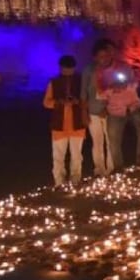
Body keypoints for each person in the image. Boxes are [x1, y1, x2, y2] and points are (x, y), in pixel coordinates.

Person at [98, 55, 140, 170]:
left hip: (134, 107)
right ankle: (118, 167)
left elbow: (135, 81)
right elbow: (101, 93)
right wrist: (110, 87)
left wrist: (127, 83)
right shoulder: (102, 73)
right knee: (114, 140)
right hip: (115, 111)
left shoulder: (125, 67)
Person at [43, 55, 84, 186]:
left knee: (76, 155)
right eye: (65, 69)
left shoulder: (81, 81)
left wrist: (77, 102)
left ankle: (75, 180)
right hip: (59, 124)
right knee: (58, 156)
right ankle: (59, 182)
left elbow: (86, 100)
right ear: (60, 68)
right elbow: (46, 103)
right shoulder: (53, 82)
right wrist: (59, 102)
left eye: (70, 70)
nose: (67, 72)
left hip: (77, 124)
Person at [81, 39, 115, 176]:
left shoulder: (113, 70)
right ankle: (99, 170)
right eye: (100, 56)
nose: (103, 59)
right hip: (93, 111)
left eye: (106, 56)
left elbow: (117, 92)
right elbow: (83, 92)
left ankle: (112, 169)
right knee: (97, 142)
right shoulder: (88, 71)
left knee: (111, 141)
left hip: (110, 111)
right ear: (94, 57)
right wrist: (84, 112)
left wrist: (108, 108)